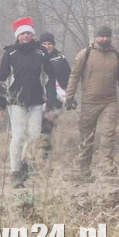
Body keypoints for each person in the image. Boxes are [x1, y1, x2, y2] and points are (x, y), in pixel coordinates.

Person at [64, 25, 119, 182]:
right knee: (87, 136)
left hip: (109, 101)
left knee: (109, 133)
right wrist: (69, 97)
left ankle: (107, 167)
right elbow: (74, 76)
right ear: (95, 37)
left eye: (108, 36)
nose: (105, 39)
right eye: (101, 36)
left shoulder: (116, 55)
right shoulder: (85, 54)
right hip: (89, 102)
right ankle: (83, 169)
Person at [0, 17, 58, 189]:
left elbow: (50, 75)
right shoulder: (10, 53)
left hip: (36, 99)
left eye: (28, 33)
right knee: (18, 136)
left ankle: (24, 164)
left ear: (32, 35)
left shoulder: (41, 51)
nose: (26, 36)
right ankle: (15, 172)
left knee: (33, 135)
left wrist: (51, 98)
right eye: (22, 33)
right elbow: (2, 78)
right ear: (17, 35)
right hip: (16, 100)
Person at [38, 32, 71, 163]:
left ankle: (45, 155)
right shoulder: (35, 57)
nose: (47, 46)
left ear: (54, 45)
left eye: (50, 44)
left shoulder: (60, 59)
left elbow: (69, 78)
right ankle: (39, 150)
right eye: (44, 44)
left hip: (57, 96)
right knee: (37, 125)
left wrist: (68, 95)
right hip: (38, 95)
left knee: (47, 124)